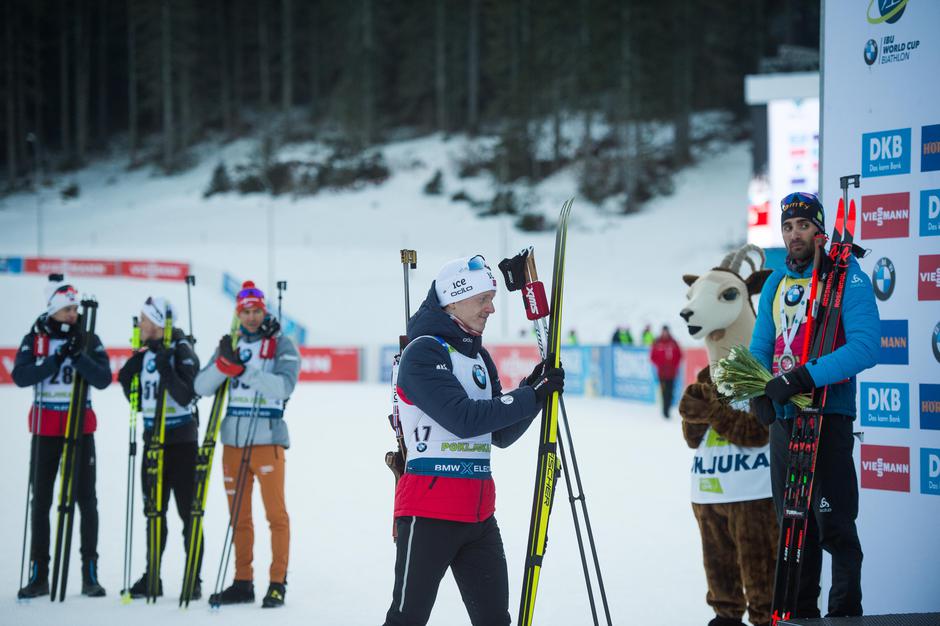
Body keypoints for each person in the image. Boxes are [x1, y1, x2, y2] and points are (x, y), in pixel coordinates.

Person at [383, 255, 564, 626]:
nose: (491, 308)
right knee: (407, 619)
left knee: (495, 620)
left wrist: (534, 390)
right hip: (429, 513)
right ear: (454, 299)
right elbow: (463, 419)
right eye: (483, 298)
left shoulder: (479, 357)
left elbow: (499, 433)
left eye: (492, 298)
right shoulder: (423, 352)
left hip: (479, 516)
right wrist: (530, 396)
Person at [749, 192, 880, 618]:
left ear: (820, 231)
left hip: (829, 417)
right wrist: (757, 390)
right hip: (786, 424)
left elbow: (865, 347)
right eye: (787, 227)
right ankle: (799, 615)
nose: (794, 235)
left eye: (803, 225)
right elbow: (759, 346)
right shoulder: (775, 281)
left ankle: (843, 615)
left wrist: (803, 377)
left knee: (835, 529)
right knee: (793, 530)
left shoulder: (849, 277)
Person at [195, 281, 299, 608]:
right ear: (238, 313)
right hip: (233, 444)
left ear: (263, 311)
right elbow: (201, 385)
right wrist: (221, 365)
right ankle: (242, 581)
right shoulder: (233, 341)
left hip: (267, 440)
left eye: (256, 311)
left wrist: (244, 370)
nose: (251, 317)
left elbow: (283, 387)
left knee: (275, 515)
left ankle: (277, 582)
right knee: (239, 517)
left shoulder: (282, 344)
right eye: (245, 312)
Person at [13, 278, 111, 598]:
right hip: (46, 428)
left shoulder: (88, 337)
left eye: (75, 308)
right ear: (54, 309)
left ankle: (89, 573)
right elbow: (21, 376)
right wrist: (56, 360)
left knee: (86, 500)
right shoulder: (36, 338)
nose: (73, 314)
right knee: (41, 500)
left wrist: (79, 356)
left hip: (80, 427)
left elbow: (103, 379)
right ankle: (39, 573)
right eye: (67, 309)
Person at [117, 297, 201, 599]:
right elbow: (133, 391)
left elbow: (186, 395)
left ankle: (194, 578)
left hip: (181, 444)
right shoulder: (147, 352)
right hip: (153, 440)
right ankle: (152, 575)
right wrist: (130, 379)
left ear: (158, 323)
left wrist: (167, 368)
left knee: (187, 512)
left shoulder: (181, 350)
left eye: (145, 320)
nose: (140, 324)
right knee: (153, 512)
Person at [650, 325, 682, 418]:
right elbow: (652, 357)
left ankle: (667, 408)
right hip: (662, 373)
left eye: (666, 332)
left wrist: (674, 365)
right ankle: (665, 411)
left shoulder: (673, 342)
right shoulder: (657, 342)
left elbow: (679, 355)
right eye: (664, 332)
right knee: (664, 392)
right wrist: (660, 364)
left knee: (670, 392)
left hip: (672, 373)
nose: (665, 333)